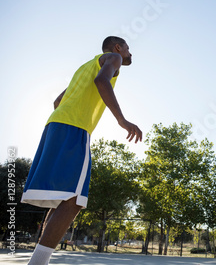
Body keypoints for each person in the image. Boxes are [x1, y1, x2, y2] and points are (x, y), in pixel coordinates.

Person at [21, 36, 142, 265]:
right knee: (76, 200)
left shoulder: (85, 66)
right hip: (74, 128)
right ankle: (37, 263)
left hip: (55, 125)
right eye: (128, 48)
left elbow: (58, 101)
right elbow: (101, 81)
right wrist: (122, 120)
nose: (129, 52)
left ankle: (39, 261)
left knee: (63, 200)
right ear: (118, 48)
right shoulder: (114, 58)